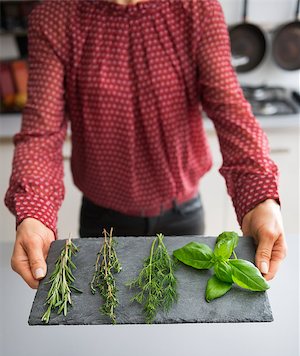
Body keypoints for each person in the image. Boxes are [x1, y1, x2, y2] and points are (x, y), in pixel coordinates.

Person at [4, 0, 287, 289]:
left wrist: (259, 196)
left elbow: (230, 109)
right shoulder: (55, 17)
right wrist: (35, 212)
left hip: (182, 212)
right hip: (102, 219)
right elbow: (42, 132)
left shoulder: (197, 8)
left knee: (179, 314)